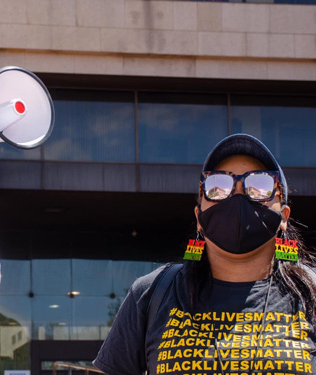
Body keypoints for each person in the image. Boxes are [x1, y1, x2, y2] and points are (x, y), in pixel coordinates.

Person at [93, 133, 316, 375]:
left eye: (259, 186)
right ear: (199, 218)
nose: (237, 196)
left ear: (283, 217)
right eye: (218, 187)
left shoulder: (310, 293)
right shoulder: (151, 293)